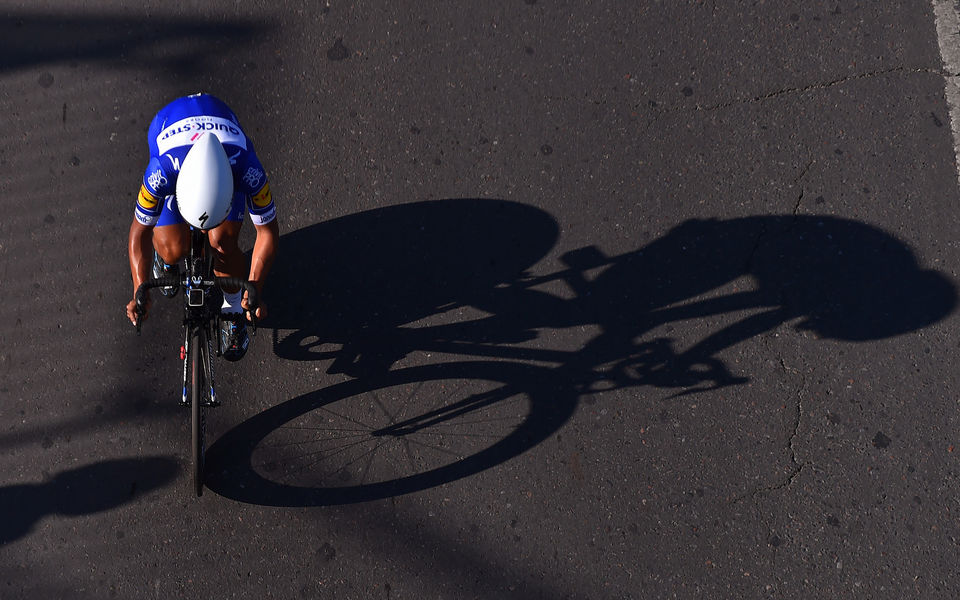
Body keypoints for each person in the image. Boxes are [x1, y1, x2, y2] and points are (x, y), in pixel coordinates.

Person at [125, 93, 279, 361]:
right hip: (170, 128)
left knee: (223, 241)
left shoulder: (247, 168)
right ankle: (167, 261)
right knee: (173, 248)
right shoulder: (161, 171)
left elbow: (267, 231)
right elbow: (139, 231)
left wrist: (253, 289)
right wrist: (139, 289)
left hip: (222, 147)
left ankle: (230, 309)